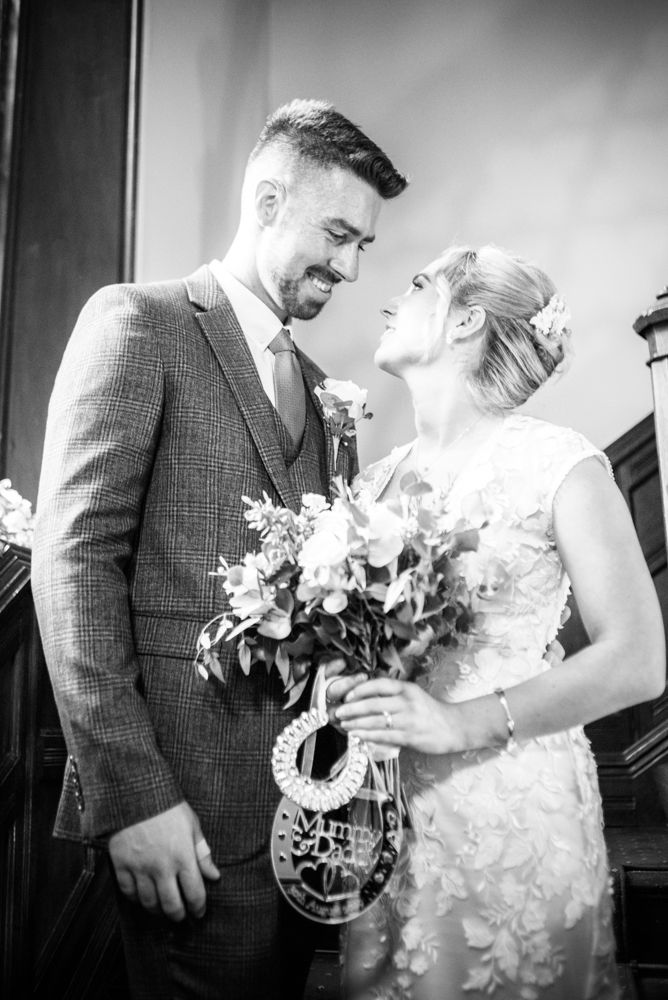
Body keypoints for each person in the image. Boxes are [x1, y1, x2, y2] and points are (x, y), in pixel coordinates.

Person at [31, 99, 407, 1000]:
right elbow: (74, 560)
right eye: (339, 233)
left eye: (365, 246)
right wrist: (131, 798)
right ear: (268, 199)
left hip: (297, 826)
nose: (352, 266)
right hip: (177, 813)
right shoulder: (139, 324)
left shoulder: (322, 391)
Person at [329, 245, 665, 999]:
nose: (392, 297)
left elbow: (640, 657)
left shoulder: (558, 465)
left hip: (511, 804)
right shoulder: (373, 480)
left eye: (419, 285)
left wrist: (464, 723)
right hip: (386, 816)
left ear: (467, 319)